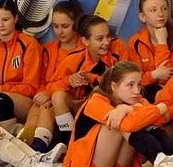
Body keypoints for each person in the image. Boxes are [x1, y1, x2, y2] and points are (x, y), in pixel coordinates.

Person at [63, 61, 173, 167]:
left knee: (144, 120)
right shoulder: (95, 101)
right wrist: (159, 107)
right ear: (114, 86)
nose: (136, 90)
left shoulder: (135, 100)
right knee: (123, 124)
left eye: (139, 84)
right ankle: (160, 161)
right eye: (130, 85)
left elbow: (157, 117)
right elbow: (129, 124)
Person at [18, 0, 85, 152]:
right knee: (38, 108)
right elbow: (42, 80)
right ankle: (24, 148)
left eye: (65, 26)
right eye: (55, 26)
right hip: (50, 98)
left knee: (50, 104)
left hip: (72, 101)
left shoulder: (85, 49)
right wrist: (43, 94)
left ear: (76, 24)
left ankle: (37, 150)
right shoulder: (48, 49)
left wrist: (49, 93)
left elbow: (79, 84)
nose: (59, 31)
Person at [47, 15, 123, 145]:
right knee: (57, 97)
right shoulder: (74, 58)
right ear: (85, 41)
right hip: (80, 105)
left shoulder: (118, 48)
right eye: (100, 39)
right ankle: (68, 142)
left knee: (97, 91)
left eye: (108, 36)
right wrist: (69, 81)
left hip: (111, 105)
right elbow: (50, 87)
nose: (106, 42)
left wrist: (91, 78)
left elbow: (123, 82)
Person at [127, 0, 173, 103]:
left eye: (164, 9)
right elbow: (133, 79)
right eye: (153, 10)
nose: (160, 14)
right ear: (143, 16)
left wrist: (162, 42)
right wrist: (154, 75)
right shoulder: (135, 42)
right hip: (145, 94)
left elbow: (168, 77)